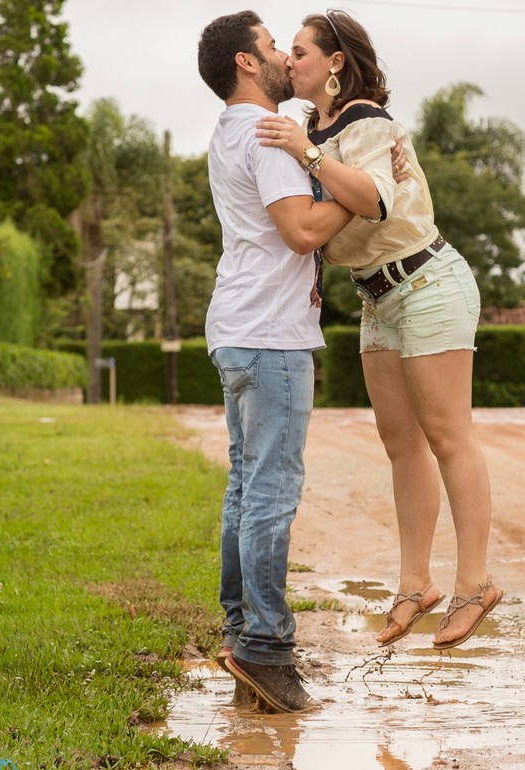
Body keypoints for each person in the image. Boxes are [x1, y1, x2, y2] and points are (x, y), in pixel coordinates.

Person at [255, 10, 502, 651]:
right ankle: (414, 586)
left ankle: (476, 584)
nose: (291, 59)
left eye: (302, 51)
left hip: (427, 283)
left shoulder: (365, 119)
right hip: (377, 298)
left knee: (449, 435)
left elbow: (376, 201)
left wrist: (307, 154)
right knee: (401, 445)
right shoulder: (316, 125)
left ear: (336, 62)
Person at [195, 10, 407, 713]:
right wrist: (372, 192)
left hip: (238, 325)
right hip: (271, 335)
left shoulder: (230, 131)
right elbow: (301, 231)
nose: (287, 54)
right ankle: (265, 646)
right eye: (272, 45)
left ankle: (241, 636)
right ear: (247, 64)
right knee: (271, 494)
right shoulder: (265, 137)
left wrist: (332, 172)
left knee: (245, 489)